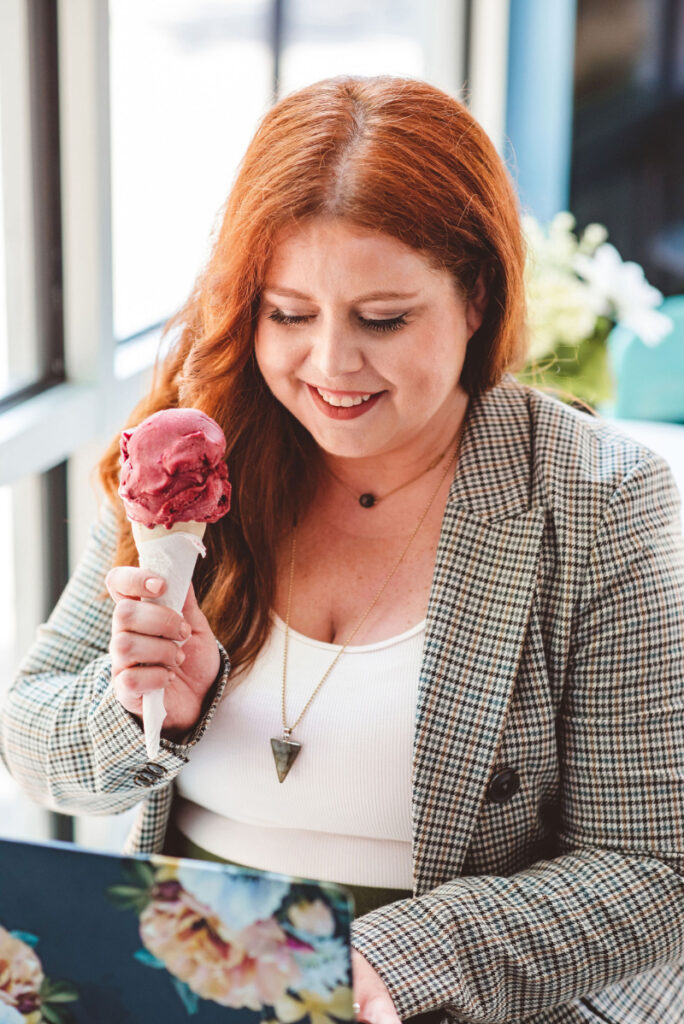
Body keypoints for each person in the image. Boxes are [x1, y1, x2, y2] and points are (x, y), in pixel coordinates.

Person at [1, 75, 683, 1024]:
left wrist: (402, 959)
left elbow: (654, 869)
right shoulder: (193, 451)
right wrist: (142, 706)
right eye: (289, 314)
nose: (330, 365)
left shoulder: (598, 499)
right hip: (184, 983)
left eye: (383, 318)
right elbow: (32, 745)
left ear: (477, 297)